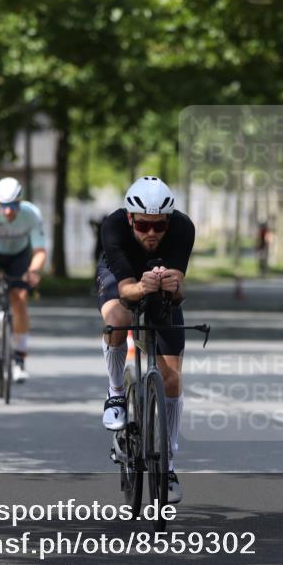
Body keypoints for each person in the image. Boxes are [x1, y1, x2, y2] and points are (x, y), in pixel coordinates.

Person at [97, 176, 194, 504]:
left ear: (169, 221)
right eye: (142, 225)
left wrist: (172, 286)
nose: (151, 232)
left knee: (172, 378)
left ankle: (168, 465)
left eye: (159, 226)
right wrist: (142, 287)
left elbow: (179, 287)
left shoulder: (183, 228)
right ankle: (116, 393)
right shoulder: (114, 227)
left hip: (159, 281)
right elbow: (126, 290)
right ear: (130, 219)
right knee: (116, 319)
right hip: (122, 276)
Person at [0, 177, 47, 383]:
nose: (8, 211)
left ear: (20, 202)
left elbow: (39, 250)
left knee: (20, 299)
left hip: (19, 255)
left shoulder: (31, 214)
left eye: (13, 205)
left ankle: (19, 360)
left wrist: (33, 271)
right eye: (3, 205)